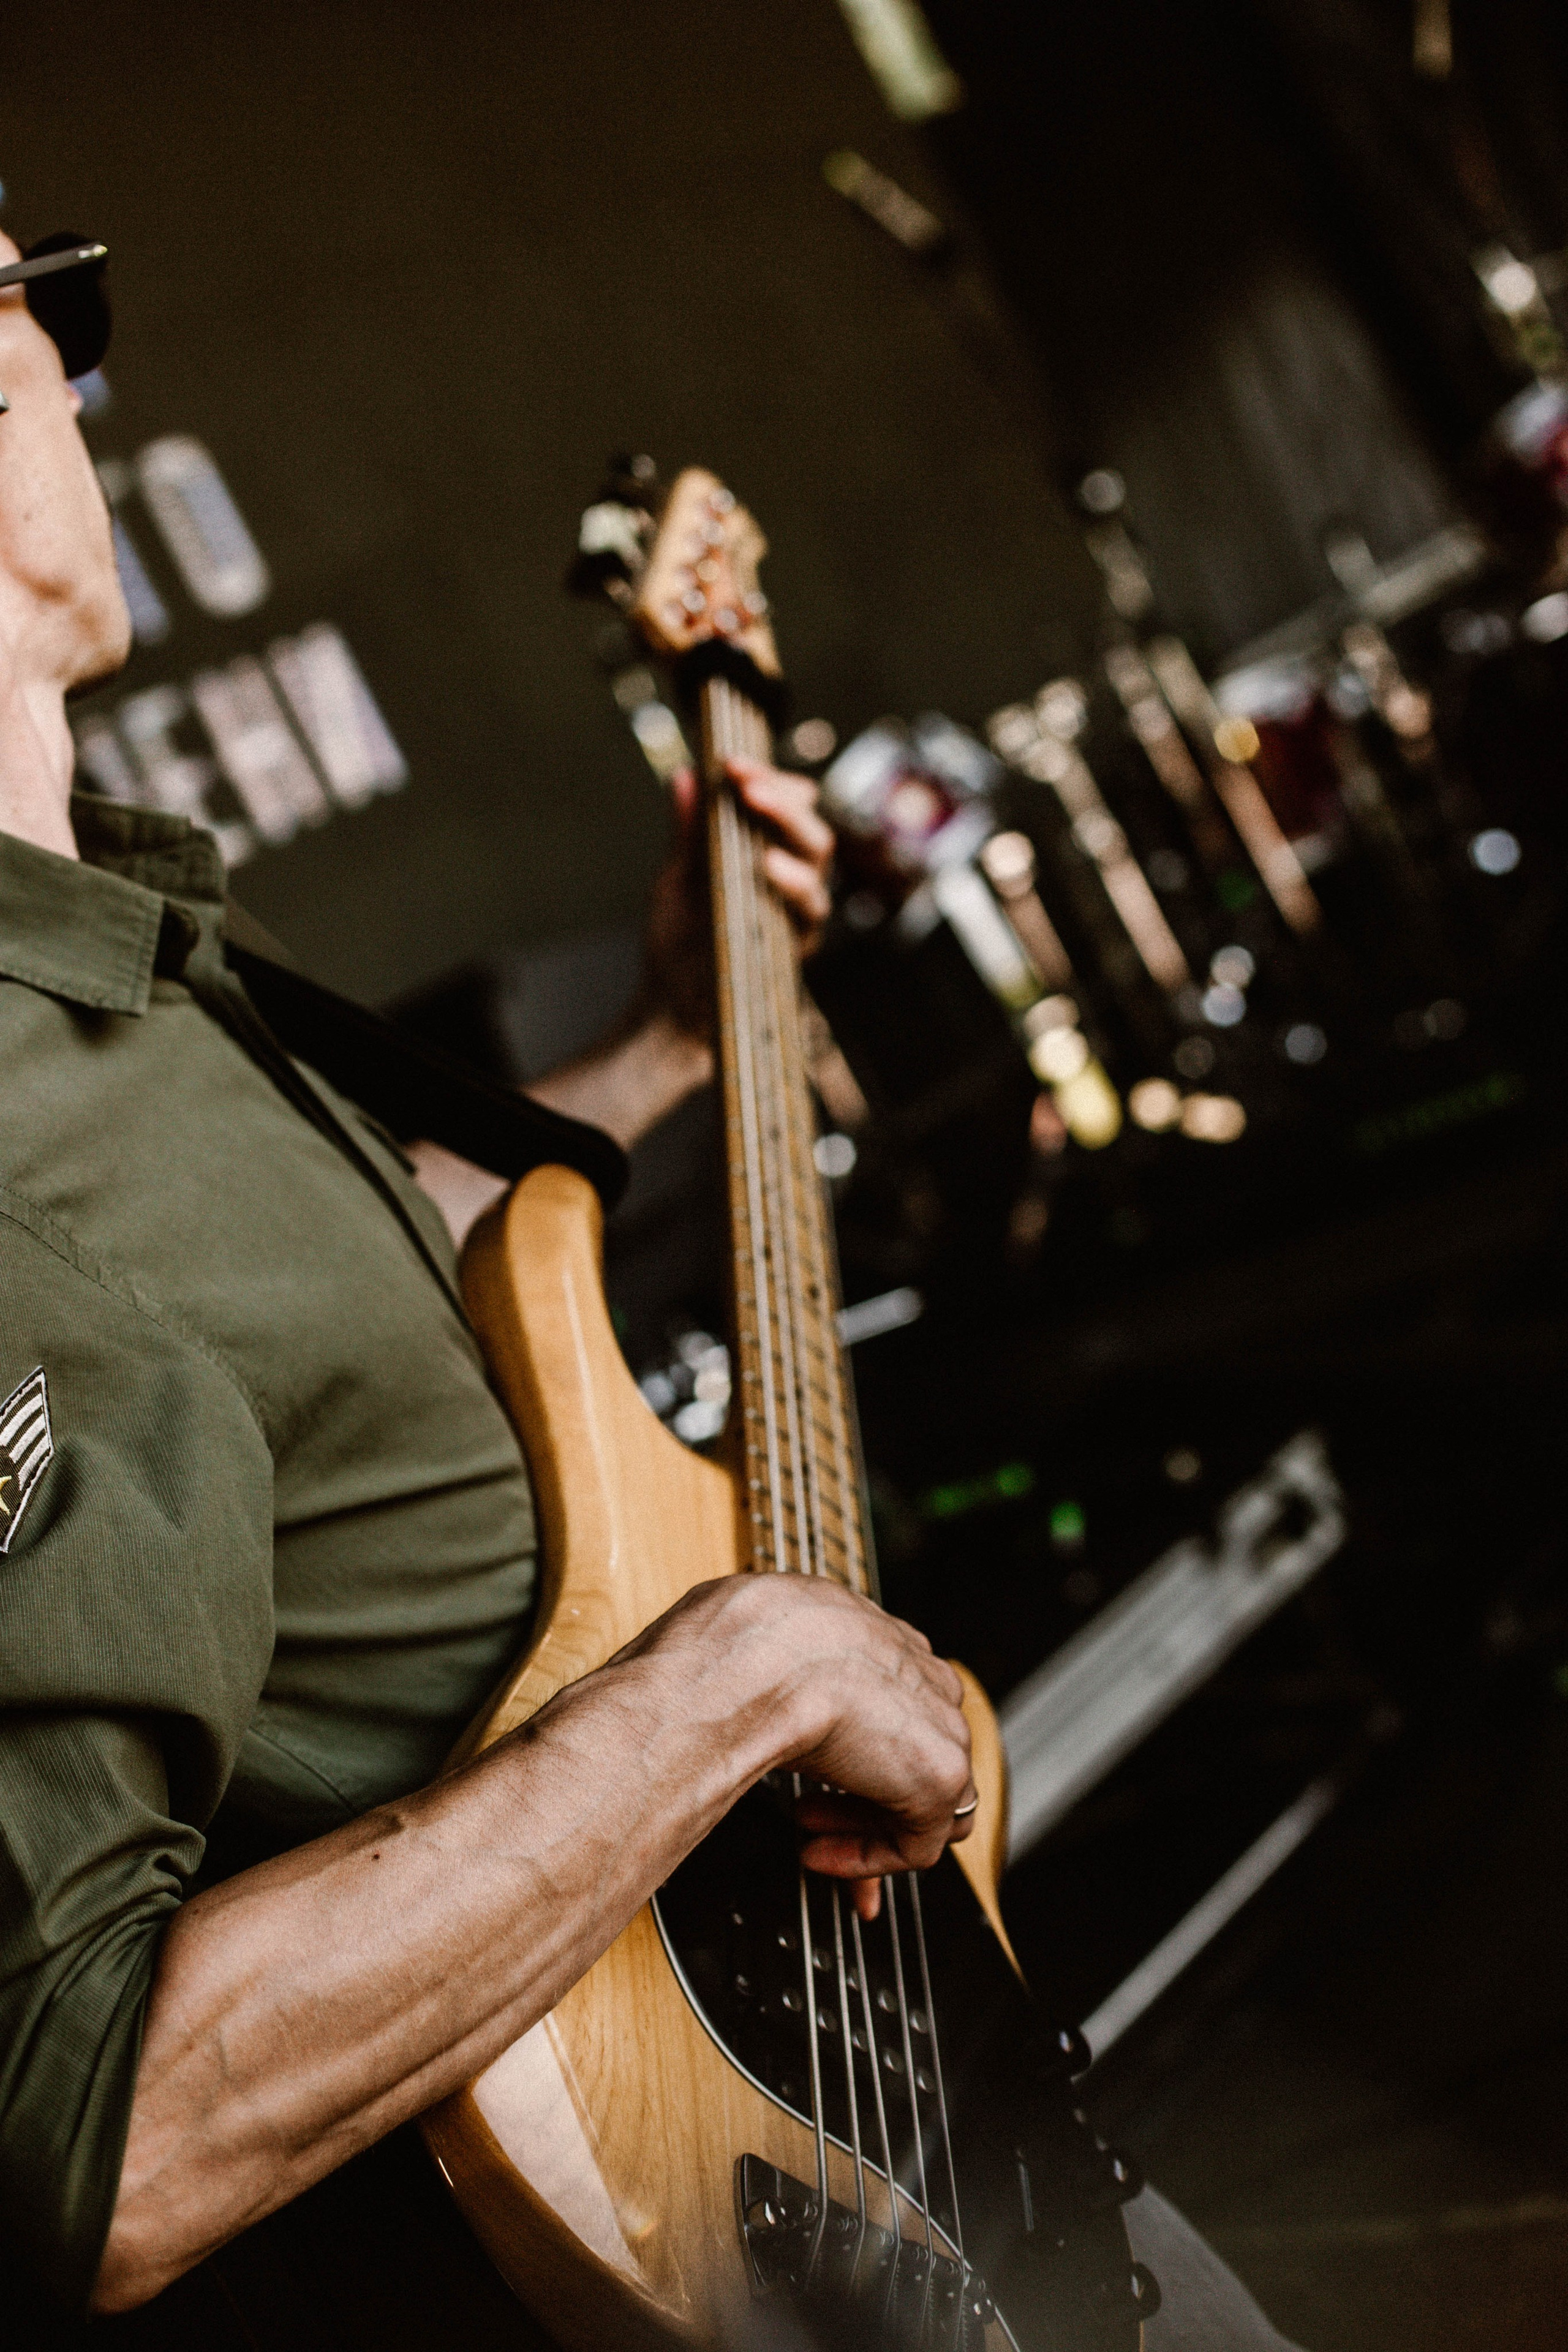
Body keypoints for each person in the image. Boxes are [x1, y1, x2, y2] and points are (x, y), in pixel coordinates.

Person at [0, 230, 1300, 2352]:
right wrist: (735, 1684)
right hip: (667, 2237)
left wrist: (674, 1050)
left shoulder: (106, 947)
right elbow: (95, 2146)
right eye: (26, 301)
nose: (61, 353)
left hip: (881, 2097)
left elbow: (288, 1319)